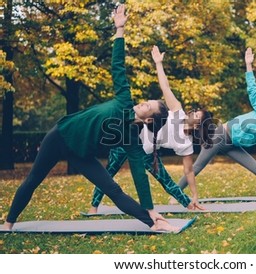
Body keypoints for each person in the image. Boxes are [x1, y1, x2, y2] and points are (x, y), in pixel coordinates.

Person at [3, 4, 178, 232]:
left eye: (147, 106)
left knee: (113, 190)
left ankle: (153, 223)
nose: (142, 102)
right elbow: (118, 66)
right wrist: (120, 30)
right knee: (33, 180)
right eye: (146, 101)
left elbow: (139, 174)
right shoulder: (125, 98)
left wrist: (151, 209)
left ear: (148, 121)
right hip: (61, 136)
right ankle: (8, 224)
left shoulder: (131, 139)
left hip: (80, 153)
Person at [86, 45, 214, 213]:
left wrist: (195, 194)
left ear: (198, 126)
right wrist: (159, 64)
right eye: (196, 110)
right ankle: (93, 207)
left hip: (148, 152)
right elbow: (165, 87)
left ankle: (191, 204)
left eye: (198, 115)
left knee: (166, 181)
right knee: (109, 172)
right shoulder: (177, 111)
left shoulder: (186, 144)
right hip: (129, 137)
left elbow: (189, 171)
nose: (194, 112)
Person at [173, 48, 256, 201]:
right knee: (198, 166)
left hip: (233, 146)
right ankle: (175, 193)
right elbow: (253, 90)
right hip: (220, 135)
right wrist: (248, 65)